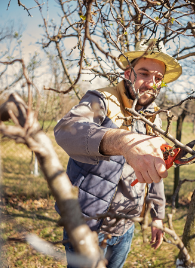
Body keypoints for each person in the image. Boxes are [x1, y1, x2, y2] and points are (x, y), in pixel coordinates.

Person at [54, 39, 182, 268]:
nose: (151, 84)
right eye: (144, 73)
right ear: (127, 73)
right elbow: (67, 130)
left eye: (158, 78)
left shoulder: (154, 118)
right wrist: (123, 141)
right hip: (87, 227)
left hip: (125, 227)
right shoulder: (101, 100)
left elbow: (154, 169)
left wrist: (158, 216)